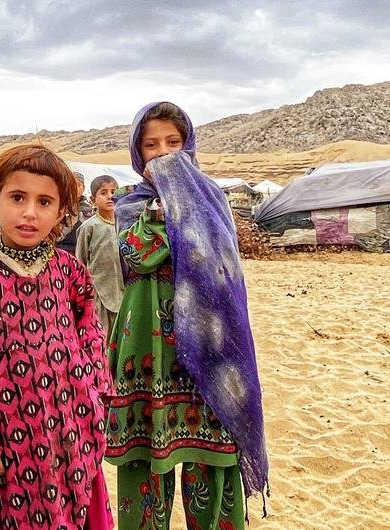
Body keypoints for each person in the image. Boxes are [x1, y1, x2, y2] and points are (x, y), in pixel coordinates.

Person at [105, 102, 269, 529]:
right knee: (146, 463)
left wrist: (184, 202)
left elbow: (226, 278)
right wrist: (167, 208)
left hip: (211, 349)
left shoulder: (212, 199)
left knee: (210, 459)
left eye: (173, 143)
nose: (163, 153)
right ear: (137, 153)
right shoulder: (128, 204)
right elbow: (137, 256)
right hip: (147, 344)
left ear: (189, 145)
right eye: (151, 145)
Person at [0, 143, 113, 529]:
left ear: (62, 212)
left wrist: (96, 406)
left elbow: (92, 340)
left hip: (71, 430)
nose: (30, 212)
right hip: (2, 442)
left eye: (45, 202)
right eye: (18, 197)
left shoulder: (69, 271)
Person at [74, 174, 124, 337]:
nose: (110, 196)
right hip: (98, 293)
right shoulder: (89, 227)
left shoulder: (126, 224)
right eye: (104, 192)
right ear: (93, 199)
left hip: (123, 291)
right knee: (100, 336)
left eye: (113, 192)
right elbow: (79, 262)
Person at [56, 171, 92, 254]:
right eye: (71, 184)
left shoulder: (89, 210)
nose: (75, 188)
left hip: (80, 251)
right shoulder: (59, 207)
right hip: (59, 250)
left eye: (78, 185)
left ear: (83, 188)